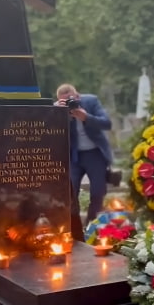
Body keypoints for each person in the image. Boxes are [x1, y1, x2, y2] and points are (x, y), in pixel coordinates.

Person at [55, 83, 113, 226]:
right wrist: (58, 114)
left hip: (94, 153)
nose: (70, 104)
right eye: (66, 101)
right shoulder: (56, 108)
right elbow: (49, 132)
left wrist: (86, 117)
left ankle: (91, 226)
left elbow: (107, 123)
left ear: (78, 96)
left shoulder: (91, 101)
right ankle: (75, 227)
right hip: (73, 155)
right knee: (70, 193)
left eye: (72, 100)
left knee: (98, 192)